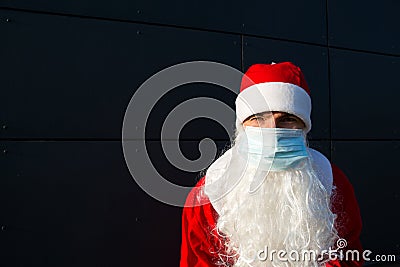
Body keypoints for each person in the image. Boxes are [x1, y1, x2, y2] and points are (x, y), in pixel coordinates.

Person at [180, 62, 363, 267]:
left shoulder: (331, 181)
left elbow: (347, 254)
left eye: (286, 119)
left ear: (304, 127)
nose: (273, 131)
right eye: (258, 118)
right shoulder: (209, 195)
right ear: (242, 126)